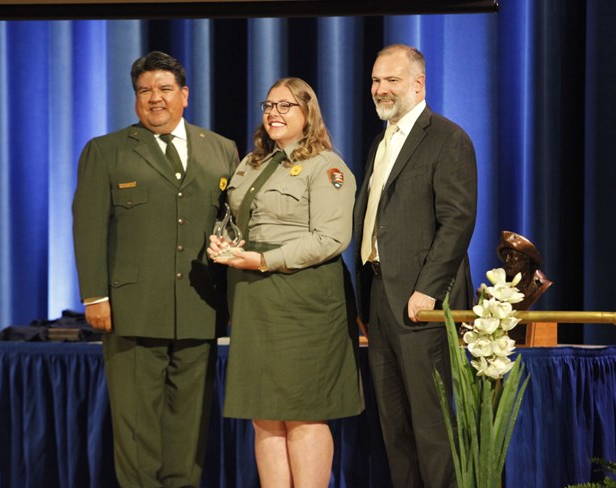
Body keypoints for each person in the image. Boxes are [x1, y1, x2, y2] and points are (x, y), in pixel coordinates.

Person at [72, 51, 239, 488]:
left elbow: (233, 228)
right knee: (136, 431)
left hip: (199, 308)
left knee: (189, 428)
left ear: (184, 96)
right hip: (131, 311)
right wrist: (95, 296)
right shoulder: (105, 151)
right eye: (144, 91)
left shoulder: (221, 149)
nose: (154, 99)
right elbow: (88, 228)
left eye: (164, 89)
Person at [207, 77, 363, 488]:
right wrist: (224, 243)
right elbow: (238, 218)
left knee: (303, 411)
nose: (273, 113)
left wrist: (263, 259)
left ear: (307, 114)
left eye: (285, 106)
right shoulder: (252, 162)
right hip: (255, 297)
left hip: (304, 299)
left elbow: (331, 239)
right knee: (264, 413)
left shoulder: (327, 166)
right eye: (269, 105)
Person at [354, 44, 477, 488]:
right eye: (375, 80)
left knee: (432, 427)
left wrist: (428, 290)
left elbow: (457, 221)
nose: (380, 89)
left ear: (418, 83)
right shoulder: (381, 141)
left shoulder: (447, 137)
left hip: (420, 305)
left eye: (391, 80)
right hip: (381, 298)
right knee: (395, 428)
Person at [497, 230, 553, 310]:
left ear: (525, 259)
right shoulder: (502, 285)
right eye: (504, 256)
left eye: (512, 256)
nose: (506, 260)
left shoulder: (539, 284)